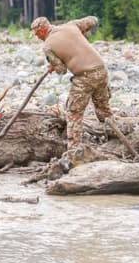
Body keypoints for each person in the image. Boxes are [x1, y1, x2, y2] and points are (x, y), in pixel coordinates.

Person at [30, 15, 112, 161]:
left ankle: (74, 155)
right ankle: (116, 138)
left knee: (74, 114)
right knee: (103, 110)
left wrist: (54, 65)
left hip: (85, 76)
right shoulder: (71, 25)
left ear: (41, 31)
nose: (37, 37)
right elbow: (93, 20)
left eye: (36, 34)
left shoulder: (48, 46)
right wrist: (82, 32)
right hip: (101, 70)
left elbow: (62, 70)